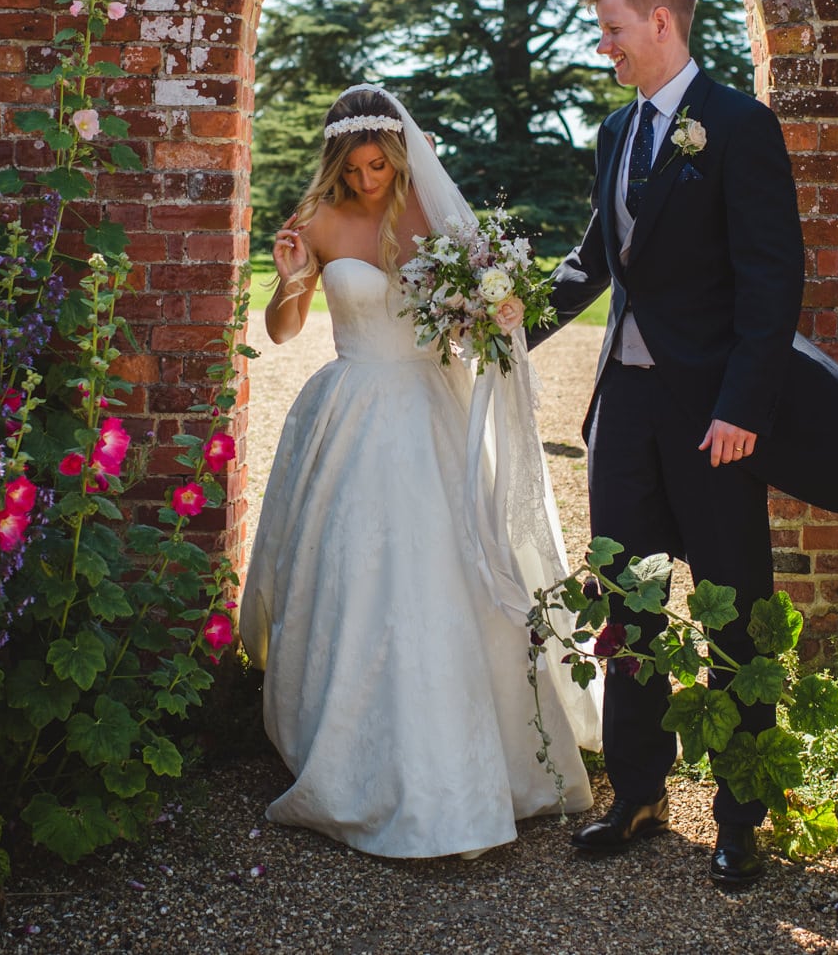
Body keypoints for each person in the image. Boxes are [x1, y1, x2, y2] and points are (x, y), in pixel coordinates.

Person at [527, 0, 838, 891]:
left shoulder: (740, 127)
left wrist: (744, 405)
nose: (604, 46)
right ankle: (638, 794)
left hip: (715, 417)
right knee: (627, 604)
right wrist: (508, 322)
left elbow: (771, 277)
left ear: (661, 22)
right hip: (622, 407)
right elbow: (594, 262)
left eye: (613, 29)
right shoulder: (615, 132)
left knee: (736, 610)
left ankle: (745, 810)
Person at [238, 85, 601, 859]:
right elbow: (282, 329)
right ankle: (346, 753)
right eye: (357, 166)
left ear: (400, 153)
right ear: (336, 160)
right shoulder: (316, 222)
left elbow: (474, 317)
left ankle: (466, 765)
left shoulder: (432, 219)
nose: (370, 179)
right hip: (350, 409)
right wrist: (292, 274)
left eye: (382, 163)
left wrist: (493, 306)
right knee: (352, 573)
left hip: (429, 406)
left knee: (442, 571)